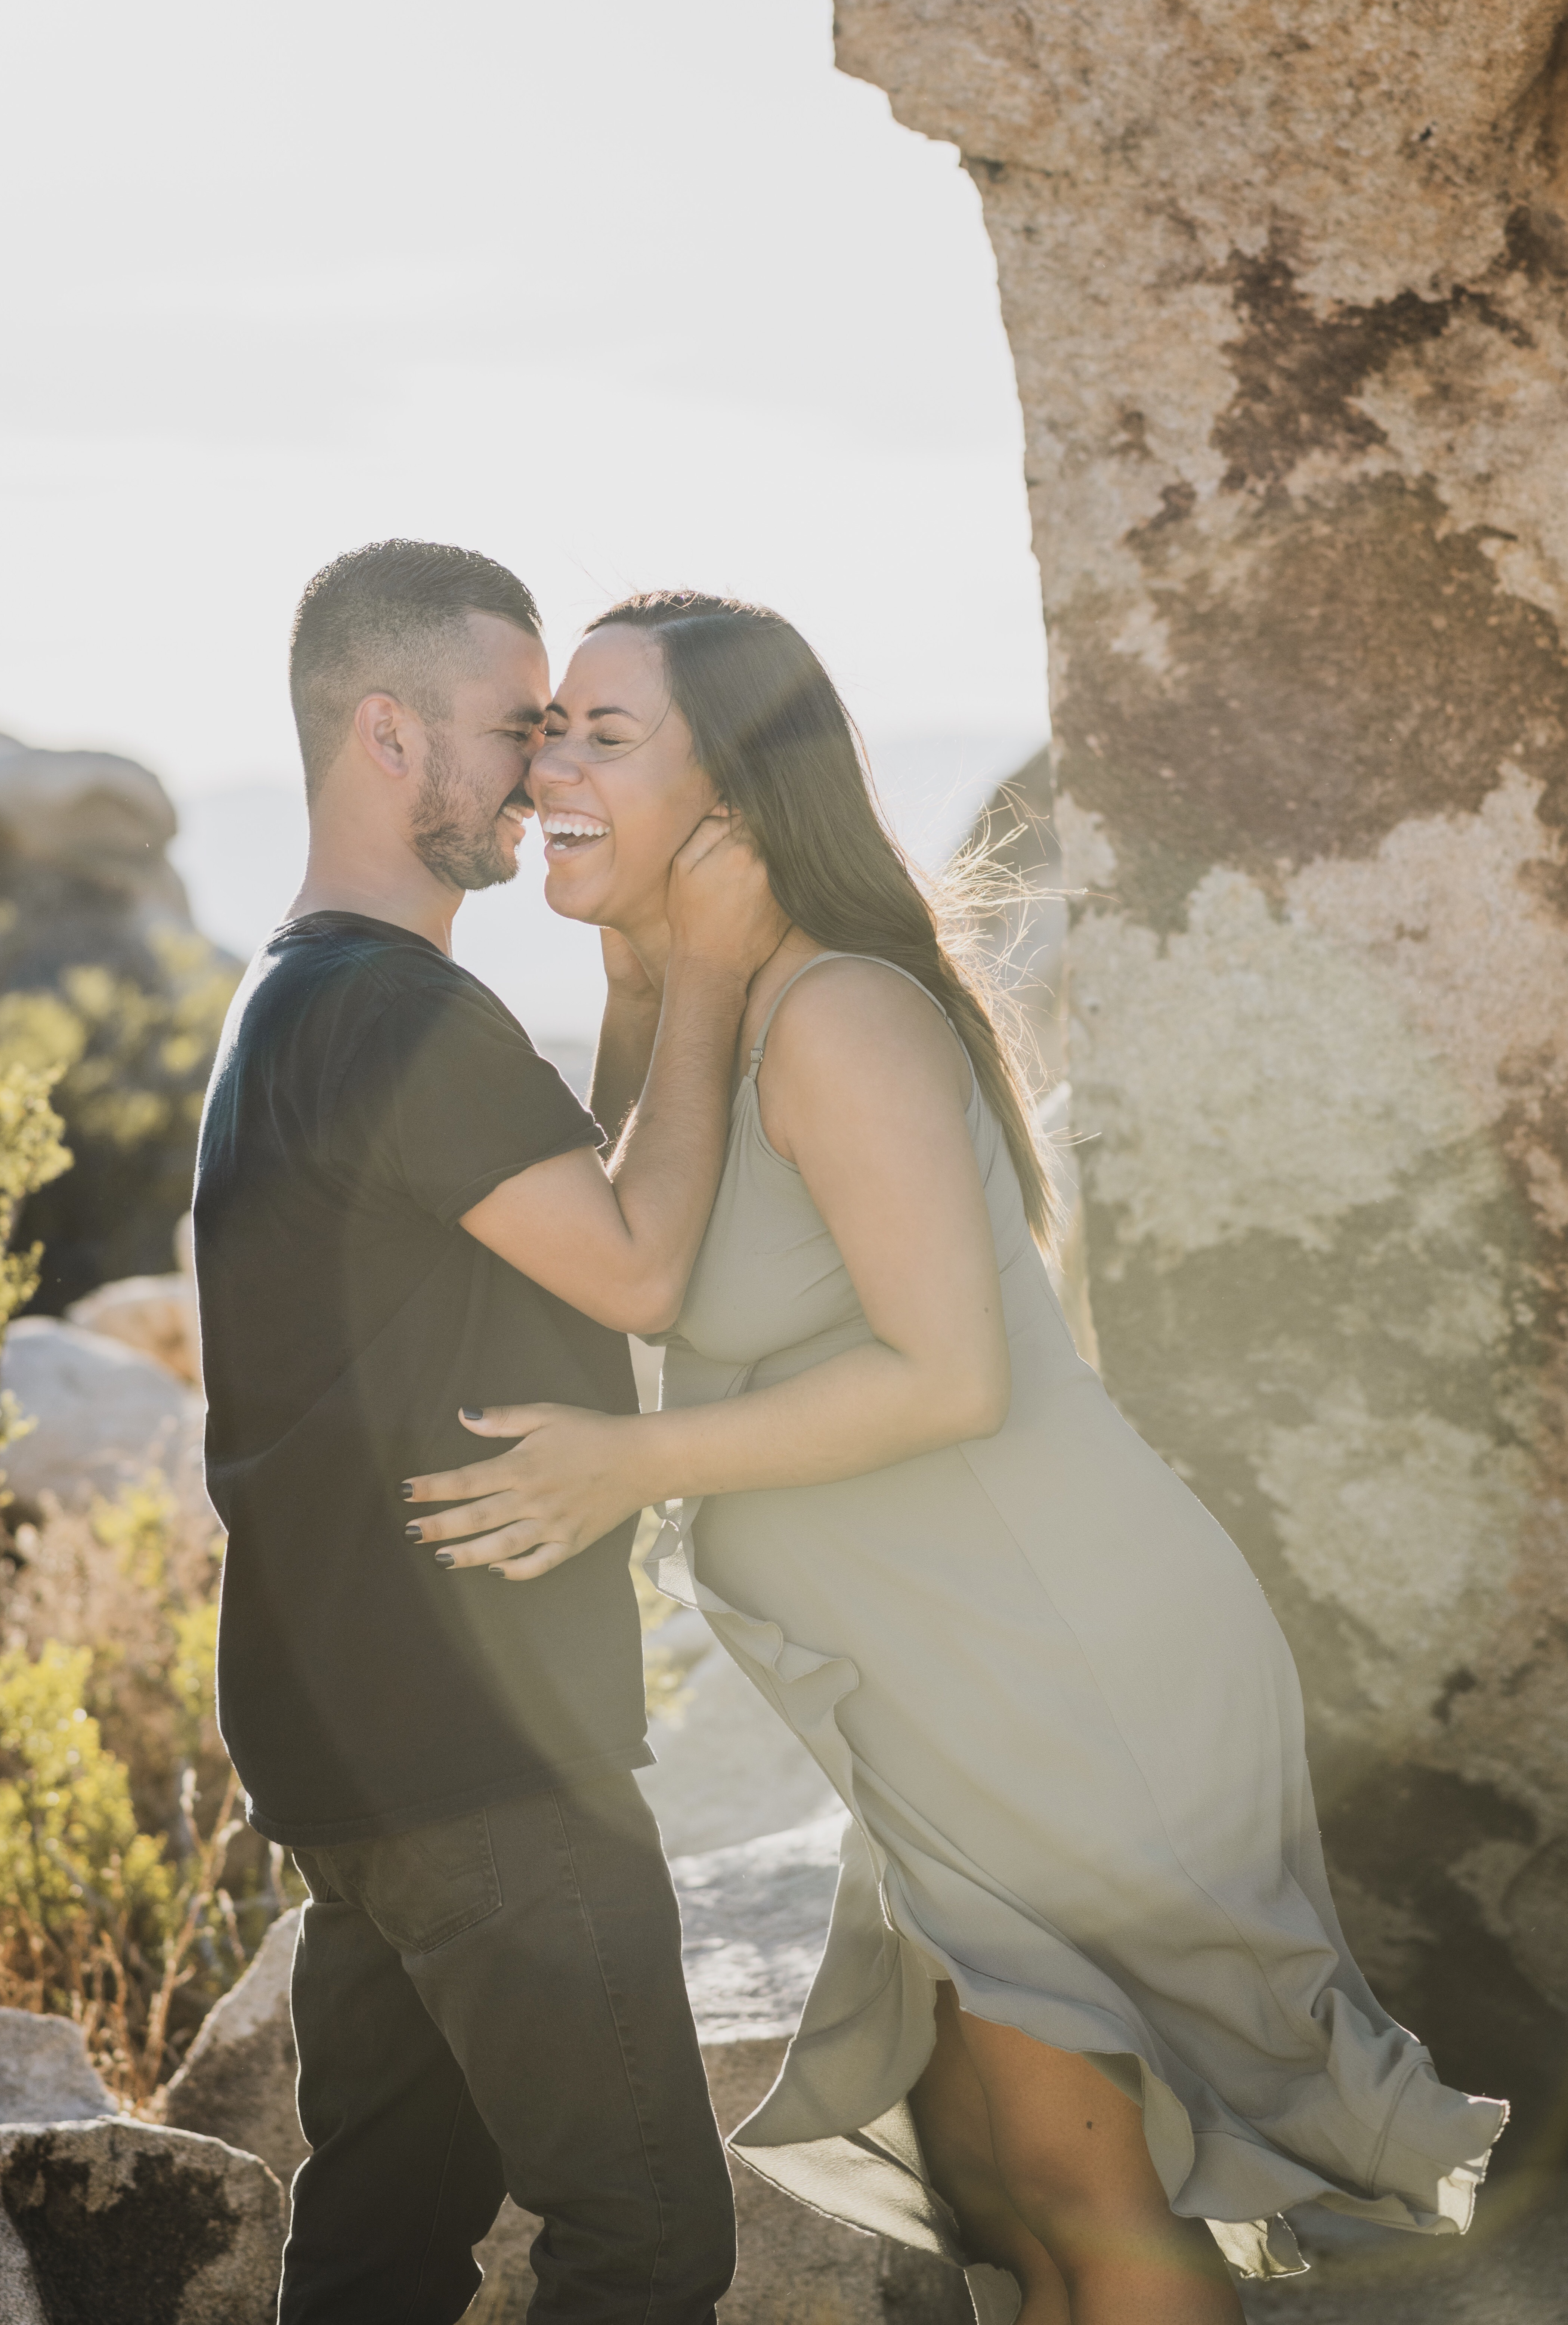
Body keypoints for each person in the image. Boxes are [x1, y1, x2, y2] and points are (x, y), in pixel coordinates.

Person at [401, 592, 1508, 2325]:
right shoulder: (714, 1010)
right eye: (551, 729)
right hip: (950, 1692)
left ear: (744, 805)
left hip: (1064, 1661)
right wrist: (658, 966)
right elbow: (645, 1253)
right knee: (1012, 2198)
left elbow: (950, 1380)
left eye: (605, 736)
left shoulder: (839, 1011)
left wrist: (631, 1465)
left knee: (1090, 2199)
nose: (548, 764)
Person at [192, 545, 787, 2325]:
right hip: (478, 1753)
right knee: (644, 2242)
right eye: (511, 727)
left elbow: (559, 1207)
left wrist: (623, 976)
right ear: (387, 731)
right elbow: (641, 1262)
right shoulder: (394, 1013)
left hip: (354, 1747)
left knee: (381, 2244)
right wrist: (708, 962)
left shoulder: (302, 995)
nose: (541, 770)